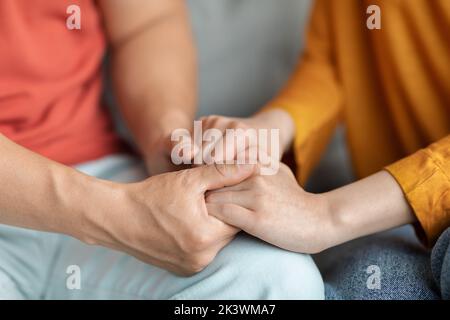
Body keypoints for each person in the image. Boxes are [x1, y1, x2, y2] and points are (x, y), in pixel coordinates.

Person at [0, 0, 324, 299]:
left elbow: (149, 23)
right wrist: (115, 214)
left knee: (278, 281)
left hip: (103, 175)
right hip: (89, 201)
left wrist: (166, 138)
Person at [204, 0, 450, 299]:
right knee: (370, 288)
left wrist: (329, 215)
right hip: (392, 219)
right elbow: (334, 63)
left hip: (377, 210)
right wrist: (271, 128)